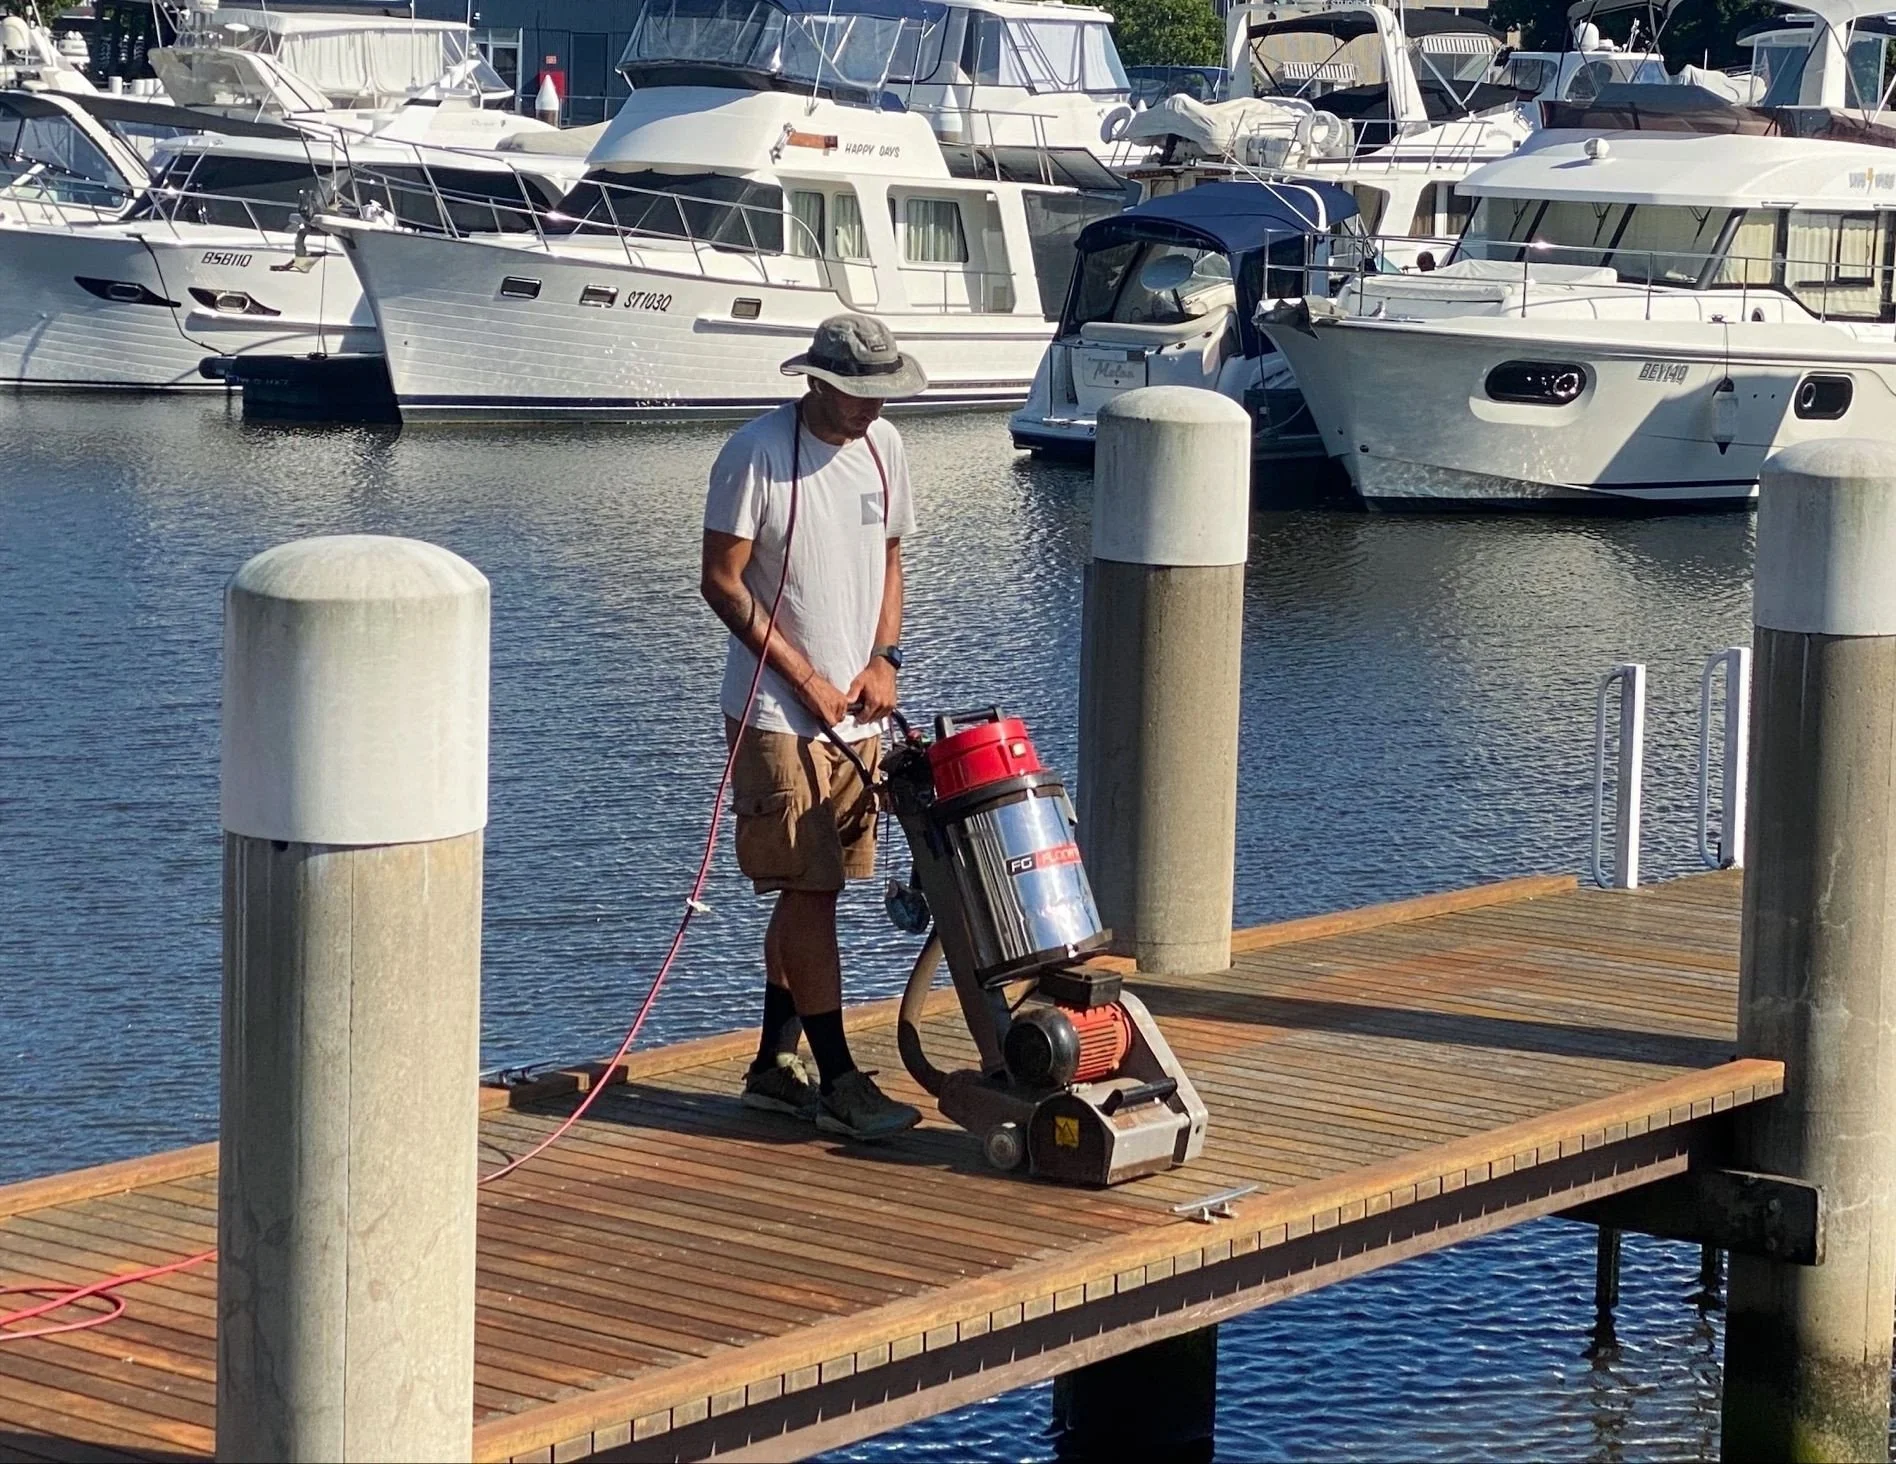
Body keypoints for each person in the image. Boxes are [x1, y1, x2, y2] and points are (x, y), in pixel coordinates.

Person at [700, 315, 928, 1141]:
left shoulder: (885, 448)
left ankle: (772, 1066)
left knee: (813, 887)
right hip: (774, 715)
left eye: (883, 393)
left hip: (856, 711)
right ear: (818, 382)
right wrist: (805, 681)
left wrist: (884, 661)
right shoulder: (755, 452)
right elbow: (721, 582)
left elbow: (891, 560)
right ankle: (837, 1077)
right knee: (812, 891)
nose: (872, 408)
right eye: (859, 392)